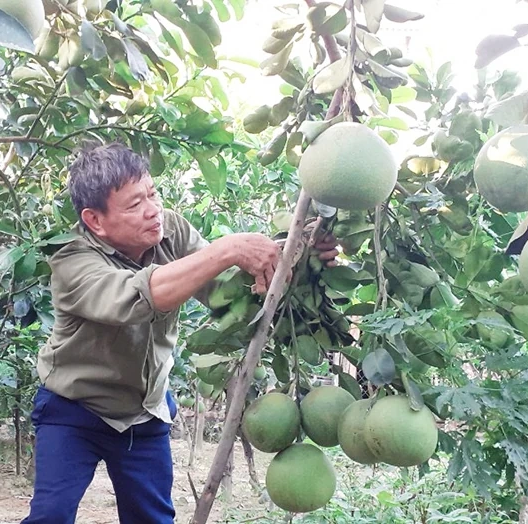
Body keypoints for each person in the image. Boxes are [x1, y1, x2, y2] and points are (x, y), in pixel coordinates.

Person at [21, 142, 340, 524]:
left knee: (152, 520)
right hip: (74, 408)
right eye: (135, 204)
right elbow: (134, 297)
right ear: (95, 220)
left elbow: (225, 293)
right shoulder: (71, 258)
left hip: (144, 410)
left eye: (152, 194)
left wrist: (295, 256)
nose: (153, 210)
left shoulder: (169, 231)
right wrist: (226, 249)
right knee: (50, 517)